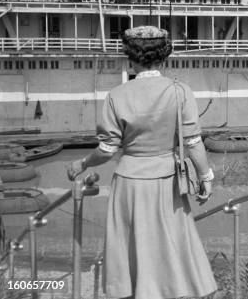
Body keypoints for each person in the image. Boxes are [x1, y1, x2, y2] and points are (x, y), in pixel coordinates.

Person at [67, 25, 217, 299]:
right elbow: (193, 142)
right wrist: (205, 177)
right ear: (164, 56)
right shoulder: (180, 91)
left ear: (130, 58)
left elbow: (107, 149)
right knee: (168, 244)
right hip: (168, 183)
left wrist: (82, 164)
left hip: (129, 183)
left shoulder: (116, 95)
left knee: (132, 247)